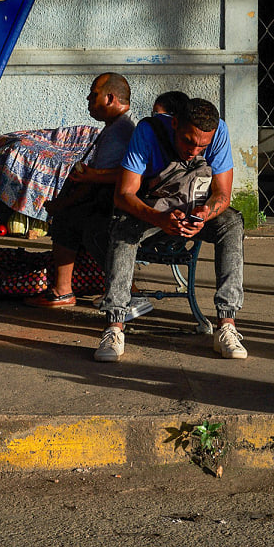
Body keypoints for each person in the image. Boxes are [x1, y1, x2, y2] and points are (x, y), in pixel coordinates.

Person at [93, 98, 247, 363]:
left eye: (203, 146)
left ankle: (227, 325)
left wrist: (205, 212)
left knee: (232, 223)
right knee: (122, 229)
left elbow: (222, 193)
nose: (194, 150)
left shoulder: (219, 131)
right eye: (188, 141)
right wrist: (158, 217)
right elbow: (124, 194)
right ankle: (114, 326)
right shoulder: (148, 131)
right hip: (152, 211)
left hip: (195, 212)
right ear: (175, 124)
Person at [35, 72, 135, 308]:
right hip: (109, 198)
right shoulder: (117, 127)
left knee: (67, 219)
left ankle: (62, 290)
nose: (88, 101)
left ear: (110, 98)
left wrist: (62, 205)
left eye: (93, 96)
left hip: (109, 203)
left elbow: (95, 182)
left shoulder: (119, 132)